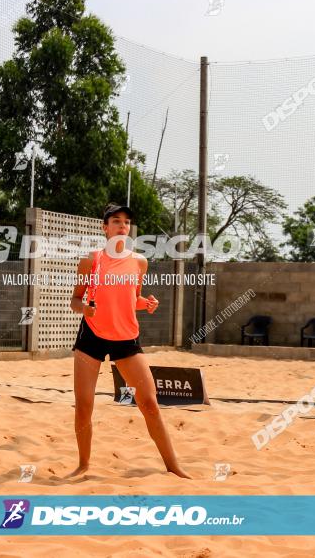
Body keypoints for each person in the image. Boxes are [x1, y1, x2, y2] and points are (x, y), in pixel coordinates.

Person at [68, 204, 191, 479]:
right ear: (105, 227)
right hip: (92, 336)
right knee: (84, 405)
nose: (122, 225)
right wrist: (86, 308)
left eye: (126, 221)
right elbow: (75, 300)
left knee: (149, 403)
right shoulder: (91, 260)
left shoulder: (139, 262)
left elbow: (132, 298)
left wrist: (146, 302)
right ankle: (83, 464)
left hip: (126, 339)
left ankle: (174, 467)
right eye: (115, 221)